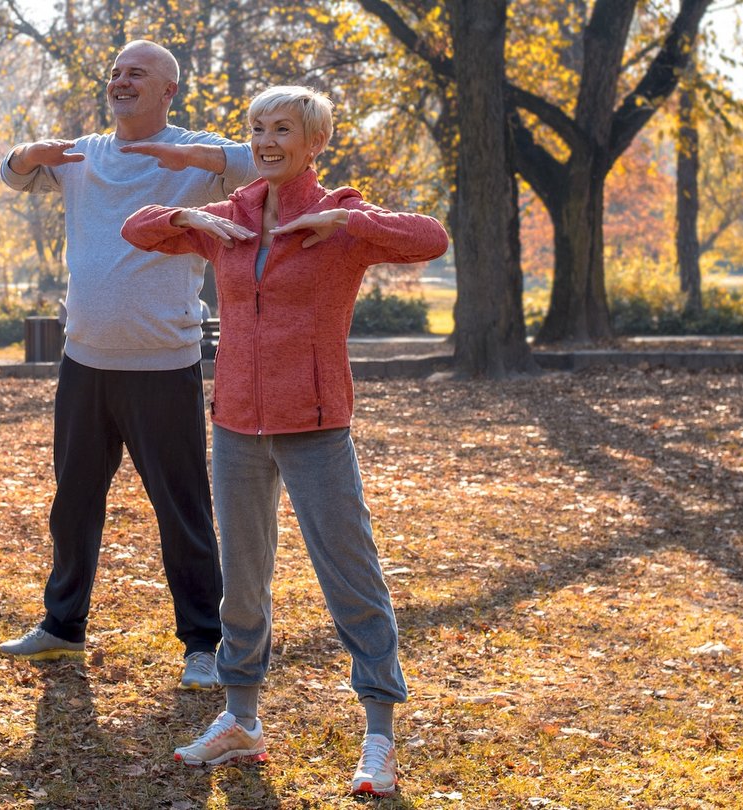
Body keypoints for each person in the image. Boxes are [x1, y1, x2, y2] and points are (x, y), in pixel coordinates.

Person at [121, 85, 448, 796]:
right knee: (242, 583)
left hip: (316, 427)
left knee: (351, 580)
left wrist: (351, 221)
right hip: (236, 425)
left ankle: (380, 736)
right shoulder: (228, 219)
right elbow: (138, 230)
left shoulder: (343, 220)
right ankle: (240, 721)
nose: (267, 141)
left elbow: (431, 238)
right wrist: (182, 212)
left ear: (314, 142)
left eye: (283, 129)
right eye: (258, 128)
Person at [0, 40, 258, 690]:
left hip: (163, 368)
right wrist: (30, 154)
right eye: (115, 72)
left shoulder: (198, 154)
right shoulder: (83, 154)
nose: (121, 80)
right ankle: (62, 626)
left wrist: (193, 157)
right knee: (73, 502)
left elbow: (269, 164)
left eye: (136, 72)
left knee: (183, 511)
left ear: (169, 90)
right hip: (84, 363)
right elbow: (10, 173)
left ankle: (204, 645)